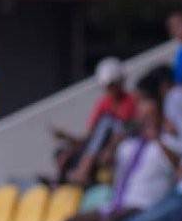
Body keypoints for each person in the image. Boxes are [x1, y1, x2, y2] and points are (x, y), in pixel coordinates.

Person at [42, 85, 176, 221]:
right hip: (117, 204)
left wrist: (157, 137)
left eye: (150, 115)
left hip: (143, 207)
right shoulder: (129, 145)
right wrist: (113, 145)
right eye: (142, 115)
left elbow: (178, 165)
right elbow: (108, 165)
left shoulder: (167, 143)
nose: (145, 120)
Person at [56, 57, 137, 186]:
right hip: (100, 150)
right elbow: (90, 136)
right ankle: (67, 178)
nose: (109, 90)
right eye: (106, 86)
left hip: (118, 147)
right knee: (61, 153)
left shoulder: (131, 101)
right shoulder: (103, 103)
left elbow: (124, 131)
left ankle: (83, 171)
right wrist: (68, 139)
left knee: (107, 122)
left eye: (112, 85)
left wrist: (110, 149)